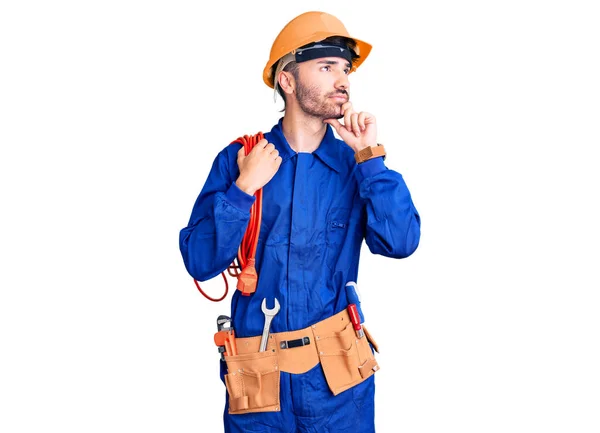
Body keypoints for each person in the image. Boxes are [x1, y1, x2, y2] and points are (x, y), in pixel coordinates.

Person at [179, 10, 421, 433]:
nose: (342, 80)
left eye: (345, 69)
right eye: (326, 67)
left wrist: (372, 161)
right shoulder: (241, 160)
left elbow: (401, 241)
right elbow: (200, 262)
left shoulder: (356, 164)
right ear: (287, 81)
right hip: (259, 384)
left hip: (338, 385)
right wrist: (243, 189)